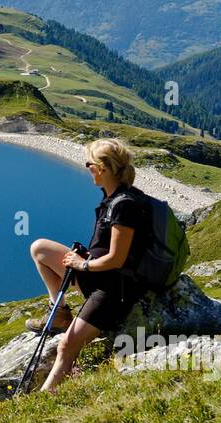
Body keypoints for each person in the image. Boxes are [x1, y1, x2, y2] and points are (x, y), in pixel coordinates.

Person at [27, 138, 148, 392]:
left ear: (102, 168)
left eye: (89, 164)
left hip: (115, 290)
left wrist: (82, 265)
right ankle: (58, 313)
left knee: (66, 347)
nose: (87, 168)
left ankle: (44, 399)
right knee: (40, 249)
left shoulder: (124, 205)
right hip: (99, 275)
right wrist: (84, 257)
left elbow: (117, 258)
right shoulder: (112, 197)